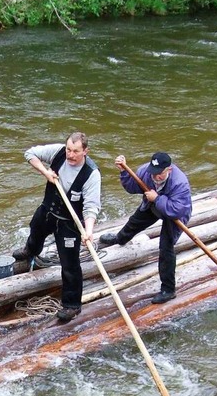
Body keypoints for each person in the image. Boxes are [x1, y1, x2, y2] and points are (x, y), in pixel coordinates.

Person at [13, 132, 101, 322]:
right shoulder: (58, 153)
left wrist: (89, 231)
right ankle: (31, 251)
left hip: (70, 222)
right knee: (35, 228)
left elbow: (91, 207)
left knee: (69, 264)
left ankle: (72, 305)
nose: (70, 155)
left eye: (76, 151)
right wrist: (45, 172)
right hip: (48, 210)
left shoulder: (91, 174)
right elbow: (29, 154)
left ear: (86, 151)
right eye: (69, 149)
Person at [99, 152, 192, 304]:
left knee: (166, 248)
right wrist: (123, 171)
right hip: (153, 204)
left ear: (169, 170)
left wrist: (157, 198)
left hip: (174, 216)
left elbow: (178, 210)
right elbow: (131, 187)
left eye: (159, 174)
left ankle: (168, 290)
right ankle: (120, 238)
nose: (155, 177)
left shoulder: (180, 183)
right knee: (134, 222)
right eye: (153, 173)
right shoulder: (146, 171)